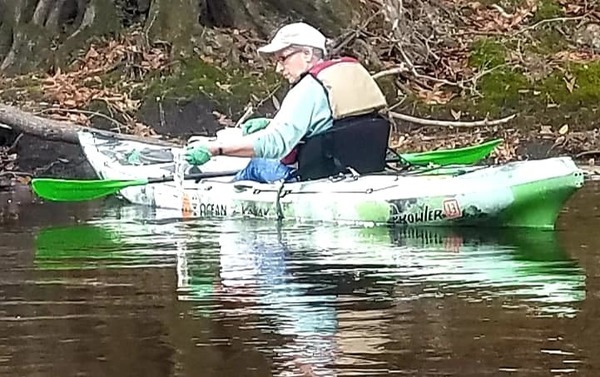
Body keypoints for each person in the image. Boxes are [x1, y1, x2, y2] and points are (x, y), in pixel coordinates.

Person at [185, 22, 391, 183]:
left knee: (257, 164)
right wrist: (270, 123)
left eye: (282, 58)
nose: (278, 68)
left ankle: (225, 211)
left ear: (308, 54)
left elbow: (275, 145)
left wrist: (216, 148)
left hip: (317, 176)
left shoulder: (307, 88)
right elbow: (331, 124)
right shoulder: (350, 74)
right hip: (364, 168)